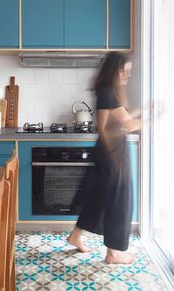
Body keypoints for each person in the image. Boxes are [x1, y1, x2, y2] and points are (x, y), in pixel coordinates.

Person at [67, 51, 141, 264]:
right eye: (123, 71)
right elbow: (127, 123)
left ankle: (75, 236)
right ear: (113, 70)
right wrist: (150, 119)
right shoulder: (108, 93)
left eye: (128, 72)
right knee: (120, 201)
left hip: (106, 153)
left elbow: (120, 120)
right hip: (112, 156)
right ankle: (113, 253)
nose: (126, 76)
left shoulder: (106, 91)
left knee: (98, 198)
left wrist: (143, 111)